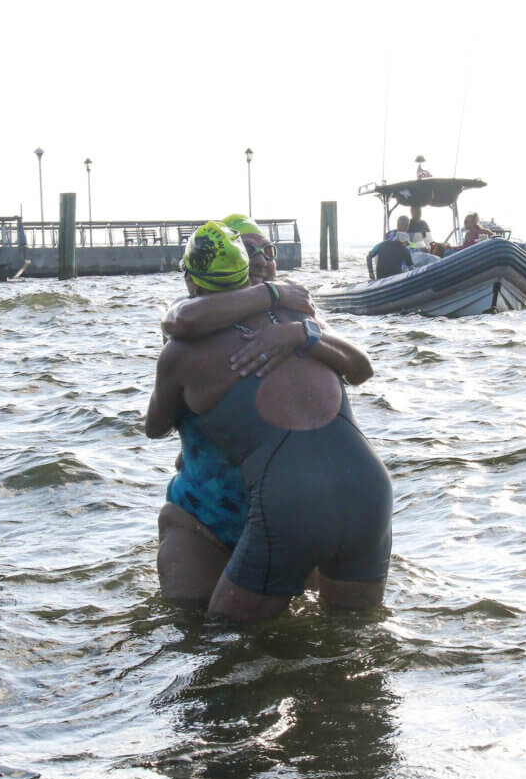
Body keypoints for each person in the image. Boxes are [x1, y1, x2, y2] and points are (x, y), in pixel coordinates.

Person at [147, 222, 392, 622]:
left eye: (269, 251)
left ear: (192, 279)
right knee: (354, 633)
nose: (262, 261)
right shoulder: (288, 312)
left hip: (281, 499)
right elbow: (182, 318)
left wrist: (302, 334)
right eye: (251, 251)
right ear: (239, 268)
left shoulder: (294, 318)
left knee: (219, 639)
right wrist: (294, 323)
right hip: (364, 487)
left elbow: (155, 425)